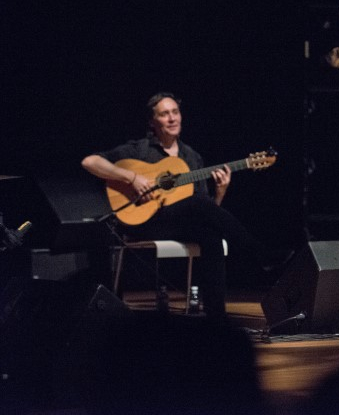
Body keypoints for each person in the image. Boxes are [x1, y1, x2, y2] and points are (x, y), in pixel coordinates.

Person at [82, 92, 288, 320]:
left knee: (211, 233)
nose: (172, 118)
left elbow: (207, 210)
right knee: (199, 204)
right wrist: (131, 177)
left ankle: (216, 316)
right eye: (164, 114)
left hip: (177, 224)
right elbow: (90, 162)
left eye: (175, 112)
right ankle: (259, 253)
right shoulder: (139, 149)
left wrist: (221, 191)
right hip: (143, 221)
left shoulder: (191, 157)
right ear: (152, 122)